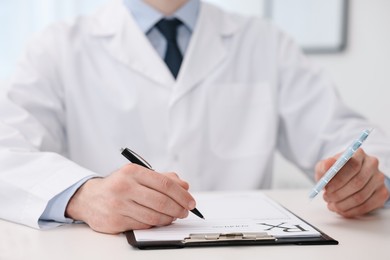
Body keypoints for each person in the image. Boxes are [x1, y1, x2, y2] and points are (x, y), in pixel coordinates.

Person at [0, 0, 389, 234]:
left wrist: (369, 179)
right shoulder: (57, 46)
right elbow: (6, 150)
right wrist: (81, 196)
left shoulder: (265, 43)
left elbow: (350, 138)